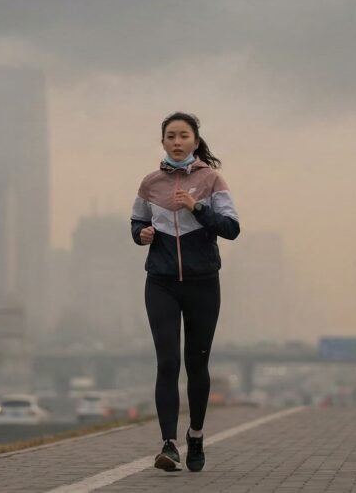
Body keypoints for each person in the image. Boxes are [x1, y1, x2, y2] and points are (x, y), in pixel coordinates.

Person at [130, 111, 241, 472]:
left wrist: (197, 207)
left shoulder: (212, 180)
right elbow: (137, 221)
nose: (177, 142)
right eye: (170, 136)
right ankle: (168, 445)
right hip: (161, 282)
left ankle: (195, 434)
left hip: (202, 283)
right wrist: (141, 234)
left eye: (183, 136)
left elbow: (231, 228)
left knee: (197, 364)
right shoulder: (150, 183)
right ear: (162, 141)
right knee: (167, 362)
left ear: (195, 140)